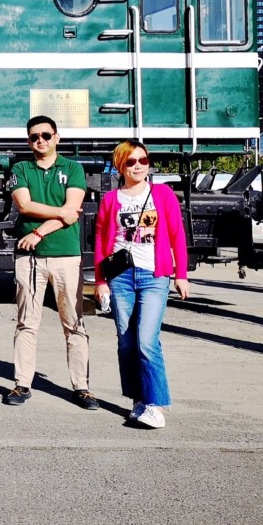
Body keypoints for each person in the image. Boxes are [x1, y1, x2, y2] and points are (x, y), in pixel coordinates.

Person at [93, 140, 190, 429]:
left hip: (154, 276)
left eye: (143, 160)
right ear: (120, 166)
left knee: (147, 341)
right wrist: (101, 281)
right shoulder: (111, 199)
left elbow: (177, 235)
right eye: (131, 162)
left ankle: (156, 406)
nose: (139, 166)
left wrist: (181, 274)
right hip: (121, 277)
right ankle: (139, 400)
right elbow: (102, 241)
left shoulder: (162, 194)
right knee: (126, 343)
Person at [5, 115, 97, 410]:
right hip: (30, 258)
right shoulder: (20, 168)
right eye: (34, 136)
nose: (40, 140)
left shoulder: (73, 168)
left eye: (46, 135)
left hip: (66, 255)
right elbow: (25, 205)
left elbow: (73, 209)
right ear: (28, 141)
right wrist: (62, 213)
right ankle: (22, 384)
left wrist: (39, 232)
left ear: (57, 137)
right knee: (26, 322)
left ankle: (81, 388)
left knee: (74, 323)